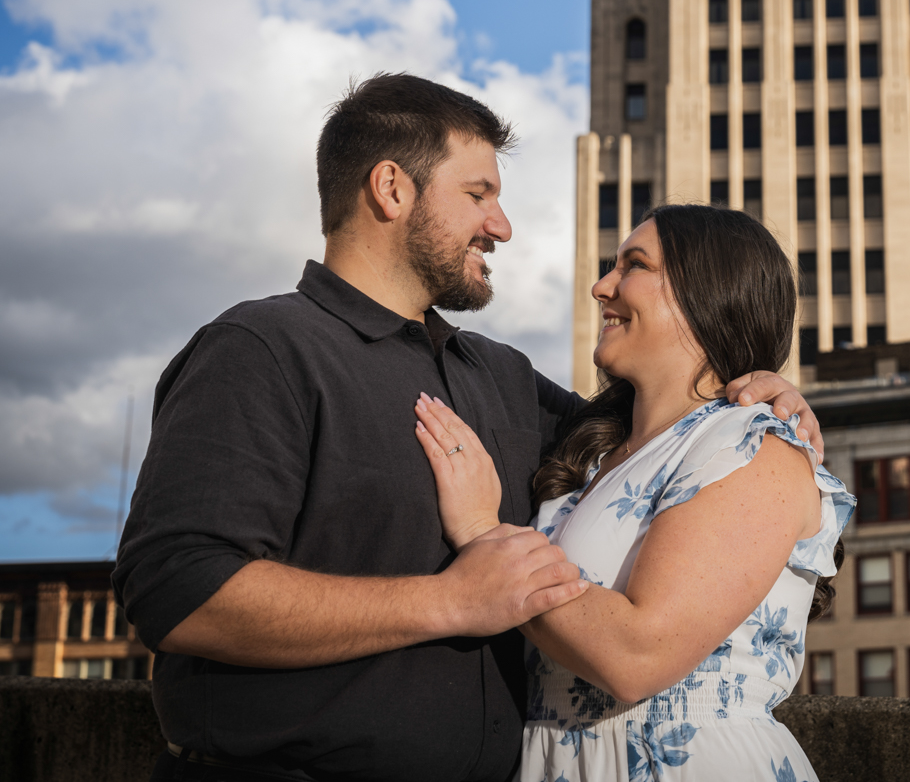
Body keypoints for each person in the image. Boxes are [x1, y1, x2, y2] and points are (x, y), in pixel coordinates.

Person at [114, 74, 822, 782]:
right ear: (391, 189)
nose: (502, 224)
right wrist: (450, 600)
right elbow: (178, 589)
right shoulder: (261, 347)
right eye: (478, 194)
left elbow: (664, 444)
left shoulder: (500, 376)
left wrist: (757, 386)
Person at [411, 204, 854, 782]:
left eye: (633, 265)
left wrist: (481, 532)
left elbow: (638, 656)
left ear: (709, 292)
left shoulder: (754, 447)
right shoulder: (592, 450)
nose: (601, 287)